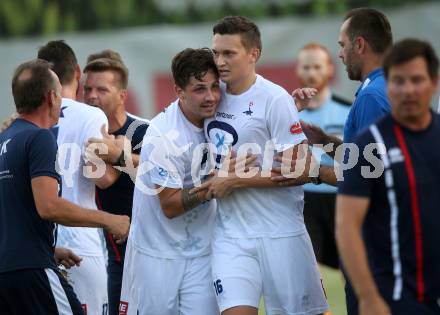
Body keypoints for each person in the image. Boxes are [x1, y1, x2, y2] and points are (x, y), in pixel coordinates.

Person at [193, 16, 328, 315]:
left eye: (229, 53)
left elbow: (299, 171)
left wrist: (236, 180)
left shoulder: (275, 99)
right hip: (231, 236)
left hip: (280, 233)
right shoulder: (212, 97)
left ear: (254, 54)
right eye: (216, 53)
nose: (220, 61)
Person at [0, 59, 129, 314]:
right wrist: (110, 220)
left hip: (8, 270)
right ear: (51, 97)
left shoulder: (5, 138)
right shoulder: (39, 137)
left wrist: (52, 249)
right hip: (34, 268)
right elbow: (49, 206)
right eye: (60, 92)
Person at [336, 38, 440, 315]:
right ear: (388, 85)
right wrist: (368, 297)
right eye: (398, 81)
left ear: (434, 82)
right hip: (392, 297)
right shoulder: (366, 146)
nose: (407, 90)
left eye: (416, 80)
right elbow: (347, 227)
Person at [119, 48, 221, 315]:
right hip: (156, 256)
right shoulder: (163, 134)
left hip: (202, 253)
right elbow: (171, 206)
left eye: (214, 86)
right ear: (179, 91)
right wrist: (216, 185)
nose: (210, 97)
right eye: (200, 89)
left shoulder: (223, 116)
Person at [38, 40, 117, 314]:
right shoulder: (90, 115)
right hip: (81, 245)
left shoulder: (28, 119)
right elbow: (102, 179)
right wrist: (119, 155)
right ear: (78, 73)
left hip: (43, 244)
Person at [277, 8, 393, 188]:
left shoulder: (371, 96)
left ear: (359, 45)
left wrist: (314, 170)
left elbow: (368, 175)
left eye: (342, 45)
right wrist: (325, 142)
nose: (340, 54)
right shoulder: (386, 85)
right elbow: (363, 159)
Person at [83, 51, 148, 315]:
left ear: (122, 95)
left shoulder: (144, 131)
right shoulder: (84, 133)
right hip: (115, 257)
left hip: (152, 251)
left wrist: (118, 153)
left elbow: (160, 170)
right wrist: (117, 153)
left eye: (101, 89)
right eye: (87, 89)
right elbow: (105, 180)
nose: (91, 96)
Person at [296, 42, 351, 269]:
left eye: (317, 67)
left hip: (341, 197)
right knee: (309, 271)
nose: (311, 73)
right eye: (306, 67)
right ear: (298, 70)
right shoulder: (290, 112)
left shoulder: (348, 110)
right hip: (305, 199)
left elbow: (354, 159)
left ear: (330, 69)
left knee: (349, 267)